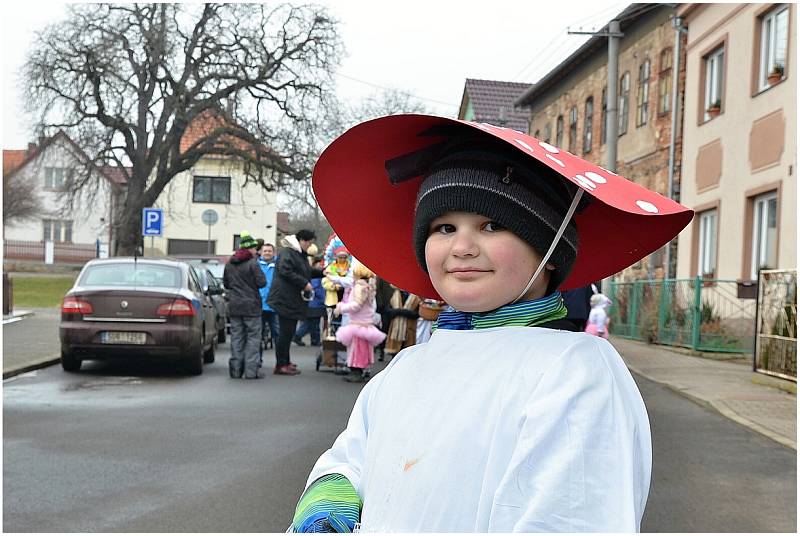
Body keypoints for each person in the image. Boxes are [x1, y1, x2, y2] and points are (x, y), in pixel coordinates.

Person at [289, 114, 693, 532]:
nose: (462, 247)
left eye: (491, 225)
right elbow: (351, 460)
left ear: (549, 249)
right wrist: (329, 501)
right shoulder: (407, 366)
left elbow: (568, 515)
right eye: (444, 227)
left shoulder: (575, 369)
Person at [267, 229, 320, 376]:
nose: (309, 245)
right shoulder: (288, 253)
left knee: (289, 333)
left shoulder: (297, 254)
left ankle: (286, 361)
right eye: (309, 242)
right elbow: (286, 271)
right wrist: (304, 283)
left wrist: (323, 272)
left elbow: (306, 271)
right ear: (302, 240)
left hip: (290, 300)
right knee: (285, 334)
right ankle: (280, 364)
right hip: (284, 300)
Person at [223, 232, 266, 379]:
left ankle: (235, 370)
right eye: (254, 248)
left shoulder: (230, 263)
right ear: (249, 249)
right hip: (252, 306)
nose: (256, 251)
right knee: (253, 338)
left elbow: (226, 284)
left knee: (236, 338)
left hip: (235, 306)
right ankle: (251, 371)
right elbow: (262, 282)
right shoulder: (253, 263)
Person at [333, 263, 386, 383]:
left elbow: (357, 305)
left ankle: (356, 372)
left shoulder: (359, 287)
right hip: (366, 323)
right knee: (363, 348)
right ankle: (361, 371)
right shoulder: (369, 286)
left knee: (356, 349)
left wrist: (341, 307)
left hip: (358, 323)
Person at [294, 256, 326, 346]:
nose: (321, 265)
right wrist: (324, 299)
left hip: (312, 302)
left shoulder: (311, 274)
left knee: (311, 322)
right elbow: (317, 289)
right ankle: (299, 336)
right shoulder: (315, 276)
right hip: (315, 303)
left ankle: (312, 339)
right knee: (313, 323)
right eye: (320, 263)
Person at [258, 243, 280, 351]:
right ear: (261, 252)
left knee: (278, 334)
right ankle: (258, 360)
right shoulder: (256, 265)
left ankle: (281, 362)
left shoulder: (279, 265)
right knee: (258, 335)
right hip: (259, 305)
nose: (267, 253)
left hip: (275, 305)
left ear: (273, 252)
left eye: (269, 251)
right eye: (265, 251)